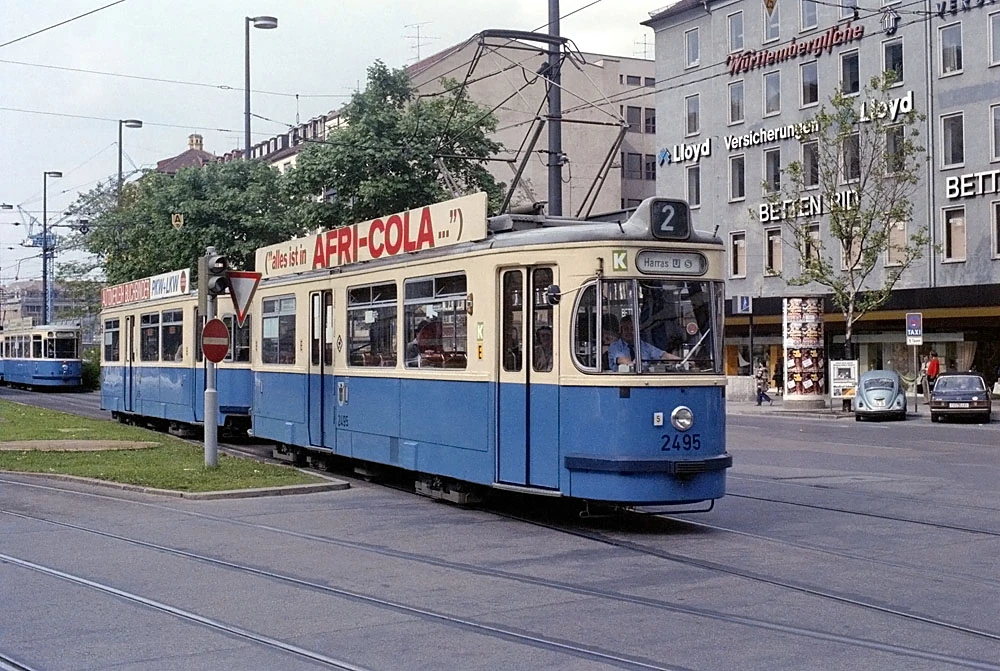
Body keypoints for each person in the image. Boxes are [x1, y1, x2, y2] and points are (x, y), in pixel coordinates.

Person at [607, 315, 679, 371]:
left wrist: (682, 361)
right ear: (621, 330)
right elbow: (621, 359)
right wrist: (633, 364)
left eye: (632, 329)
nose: (629, 332)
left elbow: (662, 355)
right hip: (623, 382)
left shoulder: (644, 346)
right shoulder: (615, 346)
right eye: (626, 329)